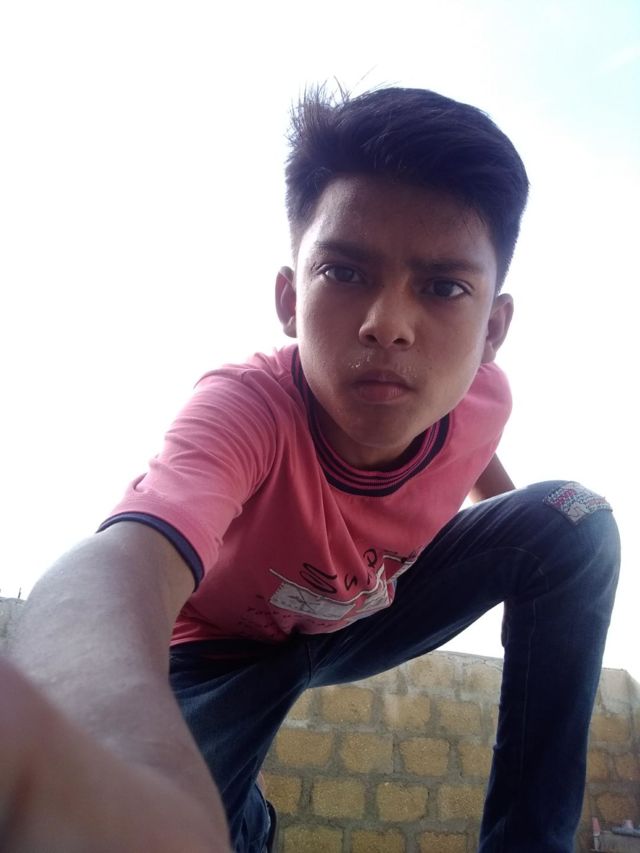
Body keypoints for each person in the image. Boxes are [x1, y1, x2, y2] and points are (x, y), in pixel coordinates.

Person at [4, 85, 619, 853]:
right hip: (221, 647)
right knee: (184, 819)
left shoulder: (479, 397)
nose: (388, 325)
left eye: (443, 288)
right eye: (346, 273)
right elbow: (124, 558)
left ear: (492, 329)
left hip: (365, 612)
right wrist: (103, 742)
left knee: (572, 520)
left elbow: (486, 469)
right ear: (290, 299)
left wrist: (515, 555)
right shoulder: (245, 410)